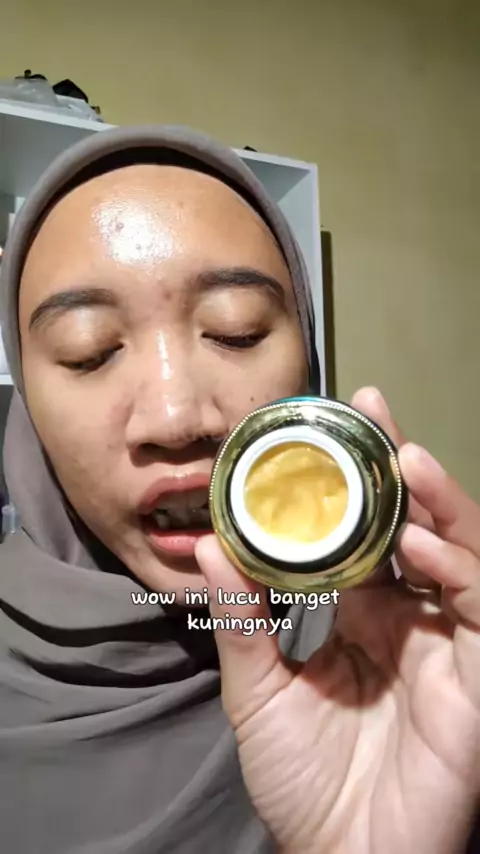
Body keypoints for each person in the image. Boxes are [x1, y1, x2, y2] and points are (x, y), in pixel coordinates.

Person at [0, 125, 479, 854]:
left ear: (306, 358)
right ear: (27, 406)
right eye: (88, 351)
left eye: (237, 331)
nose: (175, 418)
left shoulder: (408, 668)